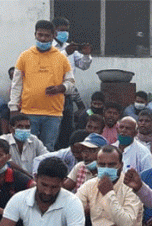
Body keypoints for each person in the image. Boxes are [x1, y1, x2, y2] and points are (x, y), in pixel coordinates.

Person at [75, 145, 143, 226]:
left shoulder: (130, 187)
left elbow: (126, 224)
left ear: (121, 166)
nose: (106, 169)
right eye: (102, 164)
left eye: (111, 165)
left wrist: (109, 194)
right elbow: (73, 209)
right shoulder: (90, 185)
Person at [9, 20, 75, 151]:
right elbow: (16, 84)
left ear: (53, 36)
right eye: (40, 35)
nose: (43, 39)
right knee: (26, 148)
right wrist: (13, 108)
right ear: (35, 35)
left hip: (53, 114)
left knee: (47, 148)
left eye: (47, 36)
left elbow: (71, 83)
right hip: (28, 112)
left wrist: (60, 88)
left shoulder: (61, 58)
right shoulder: (24, 56)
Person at [52, 16, 93, 151]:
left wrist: (86, 54)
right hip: (52, 95)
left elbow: (83, 65)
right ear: (54, 31)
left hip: (67, 96)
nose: (65, 33)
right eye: (61, 30)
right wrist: (65, 53)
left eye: (66, 30)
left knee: (66, 129)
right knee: (52, 129)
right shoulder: (50, 48)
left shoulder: (70, 48)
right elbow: (51, 64)